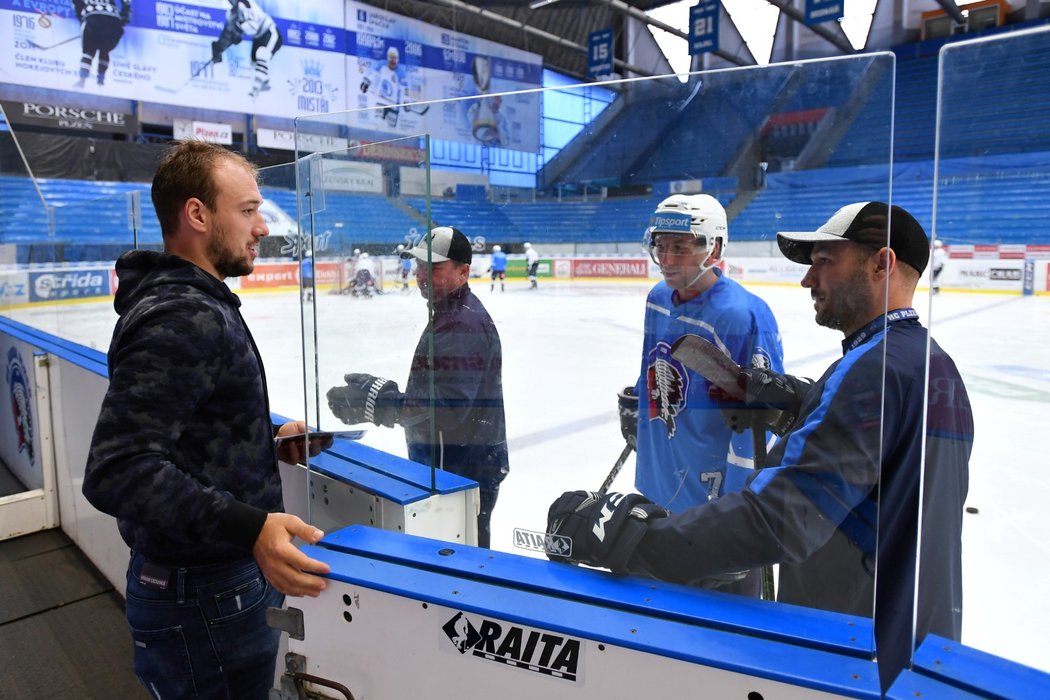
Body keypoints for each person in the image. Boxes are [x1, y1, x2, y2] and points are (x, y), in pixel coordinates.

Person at [548, 201, 973, 692]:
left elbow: (779, 519)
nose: (808, 280)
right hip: (917, 645)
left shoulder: (868, 373)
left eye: (824, 262)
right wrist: (805, 401)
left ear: (882, 263)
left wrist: (634, 540)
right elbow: (890, 482)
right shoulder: (932, 365)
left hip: (851, 650)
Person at [82, 140, 332, 698]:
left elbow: (181, 436)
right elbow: (117, 470)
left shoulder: (192, 302)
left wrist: (260, 442)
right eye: (247, 210)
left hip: (207, 589)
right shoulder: (185, 314)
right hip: (204, 597)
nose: (261, 226)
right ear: (197, 214)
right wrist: (254, 527)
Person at [622, 194, 784, 597]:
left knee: (721, 641)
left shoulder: (741, 315)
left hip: (713, 510)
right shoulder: (658, 298)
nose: (668, 259)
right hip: (660, 482)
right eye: (661, 246)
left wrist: (737, 518)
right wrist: (641, 407)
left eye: (681, 247)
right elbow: (653, 364)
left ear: (713, 247)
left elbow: (763, 424)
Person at [327, 227, 508, 548]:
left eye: (434, 268)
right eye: (420, 266)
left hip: (460, 470)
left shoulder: (462, 324)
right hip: (458, 462)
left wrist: (382, 403)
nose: (422, 275)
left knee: (462, 561)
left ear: (463, 272)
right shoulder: (451, 313)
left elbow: (448, 408)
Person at [211, 0, 283, 98]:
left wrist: (238, 32)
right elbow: (227, 34)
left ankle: (254, 91)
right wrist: (219, 49)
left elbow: (253, 27)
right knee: (254, 63)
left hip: (270, 32)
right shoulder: (231, 13)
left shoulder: (244, 4)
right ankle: (264, 83)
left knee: (262, 54)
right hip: (258, 37)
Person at [72, 0, 131, 89]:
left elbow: (77, 3)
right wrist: (123, 20)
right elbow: (127, 2)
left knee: (88, 52)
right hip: (114, 22)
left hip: (93, 18)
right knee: (104, 51)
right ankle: (100, 81)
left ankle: (82, 80)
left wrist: (82, 21)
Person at [360, 45, 405, 127]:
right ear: (388, 57)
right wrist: (366, 82)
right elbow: (373, 75)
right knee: (378, 124)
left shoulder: (401, 73)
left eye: (394, 58)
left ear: (397, 59)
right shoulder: (382, 65)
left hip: (393, 106)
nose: (392, 60)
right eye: (391, 58)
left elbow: (404, 90)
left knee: (391, 128)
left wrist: (405, 102)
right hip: (380, 101)